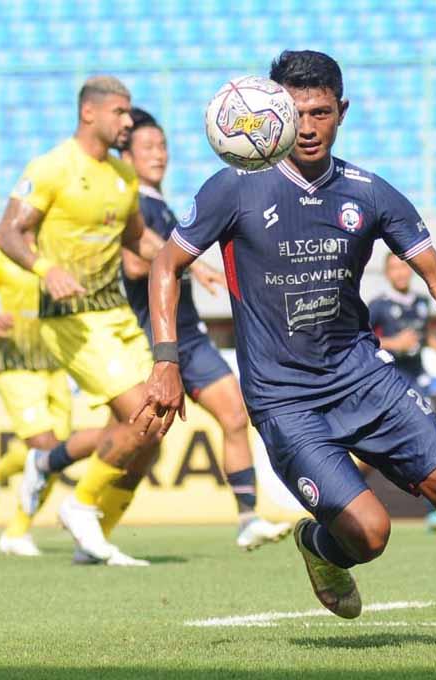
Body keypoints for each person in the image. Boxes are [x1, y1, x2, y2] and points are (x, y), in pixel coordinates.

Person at [137, 51, 436, 647]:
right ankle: (318, 545)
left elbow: (432, 267)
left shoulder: (368, 191)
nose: (307, 125)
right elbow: (165, 263)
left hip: (364, 377)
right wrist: (165, 360)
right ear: (274, 112)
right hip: (285, 400)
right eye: (295, 112)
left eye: (321, 112)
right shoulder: (236, 188)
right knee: (369, 535)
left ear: (341, 113)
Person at [0, 75, 187, 566]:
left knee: (154, 425)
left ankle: (64, 483)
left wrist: (186, 261)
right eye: (121, 113)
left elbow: (138, 240)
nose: (128, 122)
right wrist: (45, 268)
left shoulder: (122, 179)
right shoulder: (52, 167)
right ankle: (80, 507)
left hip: (116, 313)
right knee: (142, 412)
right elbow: (8, 233)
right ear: (90, 114)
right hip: (69, 320)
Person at [119, 107, 291, 551]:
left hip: (190, 337)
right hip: (157, 339)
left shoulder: (161, 205)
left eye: (163, 146)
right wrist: (187, 262)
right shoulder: (133, 206)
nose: (159, 154)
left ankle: (248, 517)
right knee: (134, 441)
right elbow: (135, 264)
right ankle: (56, 469)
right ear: (127, 156)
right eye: (148, 147)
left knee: (234, 414)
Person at [0, 238, 103, 556]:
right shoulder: (0, 257)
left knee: (55, 456)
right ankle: (0, 487)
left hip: (56, 364)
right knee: (45, 446)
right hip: (16, 365)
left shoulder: (61, 251)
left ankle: (13, 524)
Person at [367, 252, 436, 531]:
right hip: (392, 381)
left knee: (429, 442)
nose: (400, 273)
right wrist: (394, 343)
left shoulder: (421, 301)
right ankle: (346, 496)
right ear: (387, 274)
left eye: (404, 268)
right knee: (375, 450)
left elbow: (423, 333)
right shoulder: (378, 306)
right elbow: (363, 339)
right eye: (394, 268)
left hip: (418, 380)